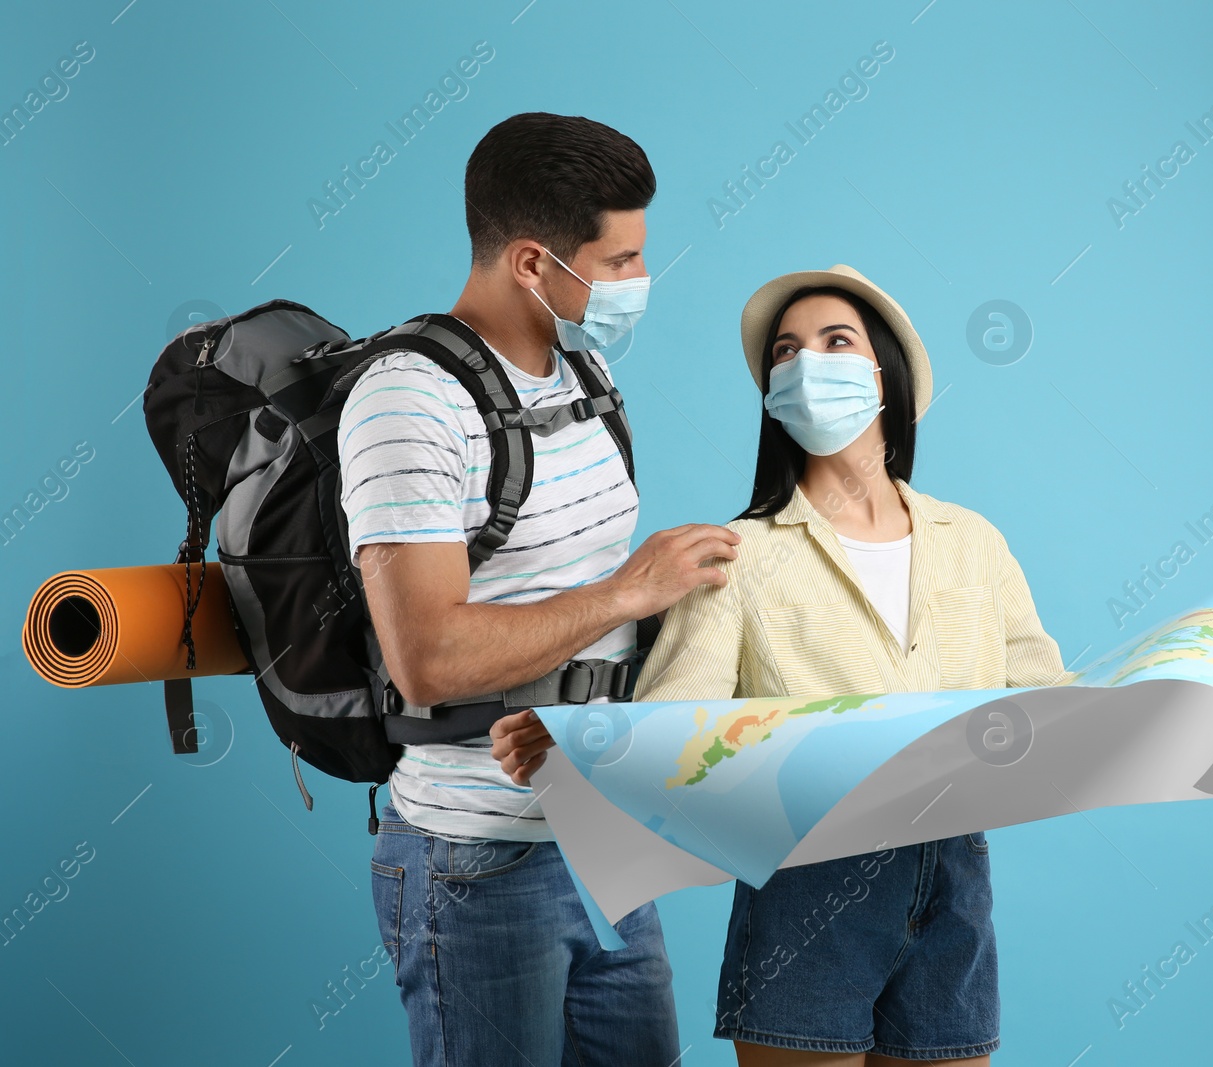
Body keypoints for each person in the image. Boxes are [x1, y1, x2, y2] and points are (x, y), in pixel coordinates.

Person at [492, 263, 1074, 1065]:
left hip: (953, 880)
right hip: (808, 884)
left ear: (885, 374)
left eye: (836, 341)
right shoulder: (736, 558)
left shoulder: (973, 543)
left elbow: (1057, 708)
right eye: (786, 353)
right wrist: (580, 738)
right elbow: (673, 729)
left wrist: (1204, 668)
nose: (808, 364)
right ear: (771, 393)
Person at [340, 111, 740, 1066]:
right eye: (621, 259)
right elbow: (428, 657)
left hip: (602, 832)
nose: (640, 282)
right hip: (477, 856)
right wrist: (627, 595)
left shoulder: (584, 370)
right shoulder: (409, 400)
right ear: (532, 262)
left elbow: (572, 579)